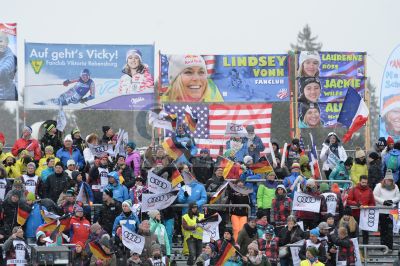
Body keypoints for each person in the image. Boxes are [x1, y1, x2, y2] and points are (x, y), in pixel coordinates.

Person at [373, 169, 400, 251]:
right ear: (385, 180)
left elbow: (398, 197)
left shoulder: (395, 187)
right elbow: (374, 196)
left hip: (392, 211)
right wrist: (383, 201)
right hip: (382, 210)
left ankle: (390, 247)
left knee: (390, 230)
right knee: (383, 230)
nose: (389, 182)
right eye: (388, 180)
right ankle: (383, 246)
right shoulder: (378, 186)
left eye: (390, 180)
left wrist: (392, 201)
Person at [0, 31, 16, 100]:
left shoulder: (9, 56)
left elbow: (3, 70)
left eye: (1, 41)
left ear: (7, 43)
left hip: (6, 95)